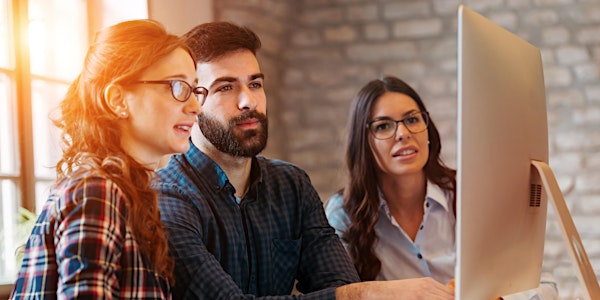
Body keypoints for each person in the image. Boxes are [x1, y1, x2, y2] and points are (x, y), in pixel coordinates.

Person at [156, 21, 454, 299]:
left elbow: (338, 285)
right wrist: (367, 294)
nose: (249, 101)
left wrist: (352, 294)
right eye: (226, 87)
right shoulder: (168, 197)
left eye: (255, 84)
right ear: (193, 101)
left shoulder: (291, 185)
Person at [9, 19, 206, 299]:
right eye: (177, 86)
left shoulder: (124, 194)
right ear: (117, 99)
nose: (196, 106)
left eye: (195, 89)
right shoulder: (97, 191)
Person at [324, 76, 559, 300]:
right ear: (363, 141)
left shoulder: (471, 193)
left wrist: (495, 297)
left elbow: (544, 285)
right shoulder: (344, 213)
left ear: (428, 130)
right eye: (383, 126)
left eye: (412, 119)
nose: (403, 134)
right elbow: (334, 294)